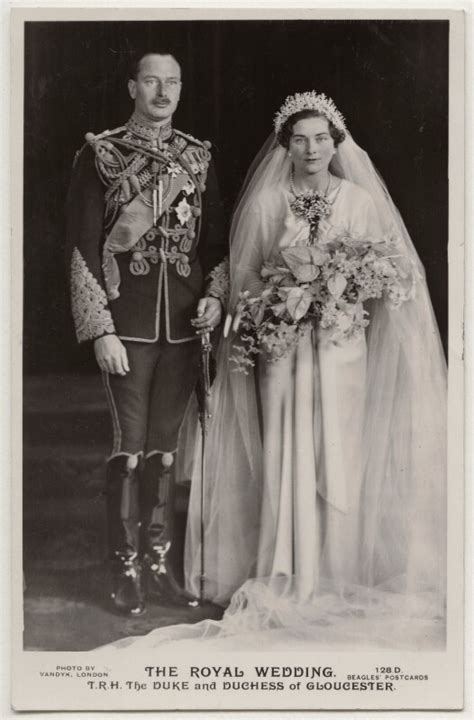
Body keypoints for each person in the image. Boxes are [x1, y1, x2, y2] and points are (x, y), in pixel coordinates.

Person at [101, 91, 447, 651]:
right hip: (281, 352)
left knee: (337, 453)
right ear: (285, 146)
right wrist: (276, 303)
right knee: (287, 452)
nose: (311, 149)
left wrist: (341, 290)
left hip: (340, 349)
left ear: (337, 143)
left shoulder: (360, 201)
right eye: (300, 139)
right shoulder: (267, 203)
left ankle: (338, 574)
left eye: (321, 138)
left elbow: (391, 276)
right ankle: (288, 573)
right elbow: (244, 282)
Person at [66, 51, 228, 617]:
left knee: (165, 450)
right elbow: (84, 246)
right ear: (133, 86)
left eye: (172, 83)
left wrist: (214, 296)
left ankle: (160, 568)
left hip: (184, 327)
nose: (162, 92)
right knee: (128, 451)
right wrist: (100, 329)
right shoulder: (102, 154)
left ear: (181, 90)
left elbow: (215, 246)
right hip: (127, 324)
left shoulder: (197, 157)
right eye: (152, 81)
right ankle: (125, 569)